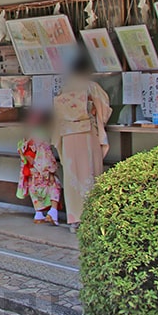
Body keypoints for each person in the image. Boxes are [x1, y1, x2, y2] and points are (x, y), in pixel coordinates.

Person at [52, 63, 112, 232]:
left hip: (68, 136)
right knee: (90, 172)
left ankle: (73, 220)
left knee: (72, 177)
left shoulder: (64, 88)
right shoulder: (91, 87)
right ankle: (91, 217)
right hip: (86, 134)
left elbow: (57, 117)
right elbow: (104, 109)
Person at [17, 111, 61, 225]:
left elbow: (23, 151)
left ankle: (38, 214)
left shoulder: (26, 137)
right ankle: (53, 212)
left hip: (31, 169)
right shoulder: (41, 135)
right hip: (42, 167)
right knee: (54, 186)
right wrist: (51, 170)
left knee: (35, 191)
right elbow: (46, 154)